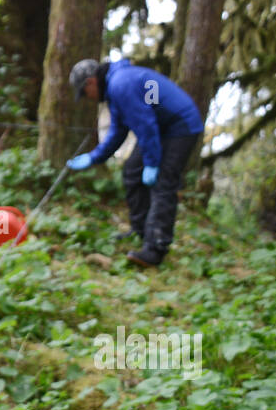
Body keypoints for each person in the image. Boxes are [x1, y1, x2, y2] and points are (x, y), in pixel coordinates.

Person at [66, 58, 203, 267]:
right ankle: (140, 230)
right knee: (132, 171)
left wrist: (152, 163)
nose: (88, 99)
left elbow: (146, 125)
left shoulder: (121, 85)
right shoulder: (116, 87)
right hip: (160, 128)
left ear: (91, 82)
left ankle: (155, 248)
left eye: (84, 93)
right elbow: (118, 131)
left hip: (180, 127)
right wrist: (95, 157)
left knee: (163, 183)